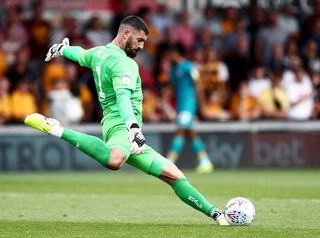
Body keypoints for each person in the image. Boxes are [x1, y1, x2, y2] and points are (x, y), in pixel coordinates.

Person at [24, 15, 228, 225]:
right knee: (114, 160)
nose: (141, 46)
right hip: (122, 125)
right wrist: (133, 128)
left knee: (174, 175)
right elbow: (123, 97)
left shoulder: (98, 53)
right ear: (126, 34)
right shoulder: (125, 63)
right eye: (140, 40)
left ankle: (217, 215)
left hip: (119, 126)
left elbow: (79, 54)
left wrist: (61, 49)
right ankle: (58, 129)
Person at [163, 45, 214, 174]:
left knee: (180, 130)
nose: (167, 59)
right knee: (190, 133)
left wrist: (202, 106)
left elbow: (198, 87)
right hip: (181, 106)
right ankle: (205, 161)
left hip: (189, 104)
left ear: (175, 53)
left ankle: (169, 162)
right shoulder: (173, 71)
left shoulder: (189, 67)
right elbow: (172, 88)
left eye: (169, 56)